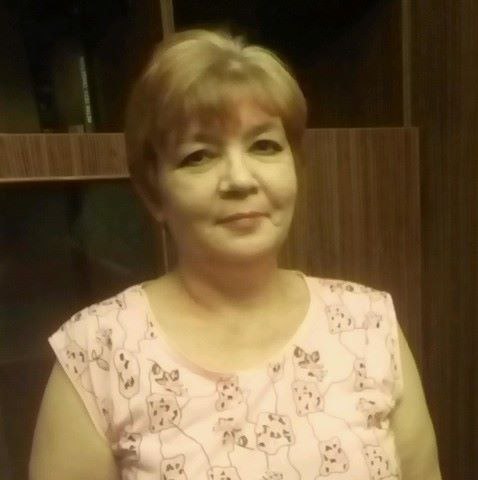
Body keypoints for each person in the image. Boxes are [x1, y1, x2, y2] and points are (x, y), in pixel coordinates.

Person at [29, 29, 442, 480]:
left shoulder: (369, 326)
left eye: (265, 146)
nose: (240, 180)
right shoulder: (98, 354)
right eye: (198, 156)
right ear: (154, 194)